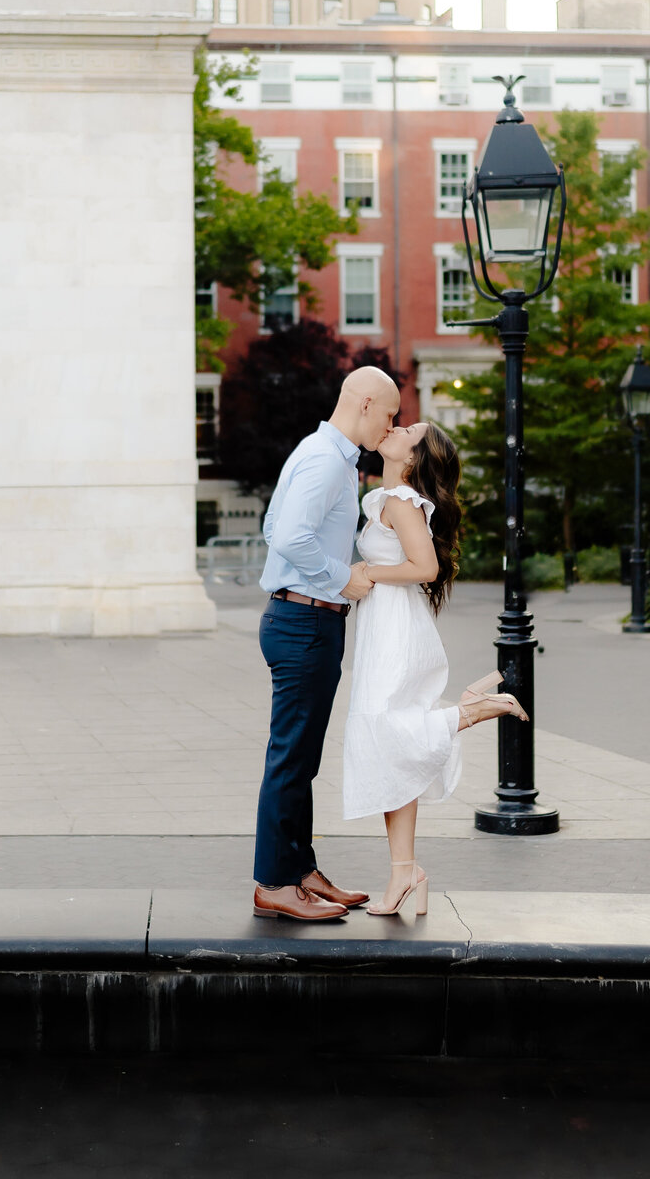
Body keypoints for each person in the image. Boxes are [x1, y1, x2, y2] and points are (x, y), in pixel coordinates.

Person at [342, 420, 527, 917]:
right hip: (389, 624)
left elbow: (426, 568)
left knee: (385, 734)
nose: (396, 426)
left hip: (396, 629)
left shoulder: (399, 500)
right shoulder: (389, 496)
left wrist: (363, 574)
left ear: (412, 457)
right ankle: (406, 873)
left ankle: (472, 711)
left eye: (407, 429)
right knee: (389, 749)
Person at [252, 366, 401, 924]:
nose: (392, 426)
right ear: (364, 403)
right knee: (291, 756)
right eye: (389, 414)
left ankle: (300, 871)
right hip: (304, 622)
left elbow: (273, 528)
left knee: (301, 757)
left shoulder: (322, 454)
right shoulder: (324, 460)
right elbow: (288, 535)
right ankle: (274, 883)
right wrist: (341, 578)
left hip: (304, 619)